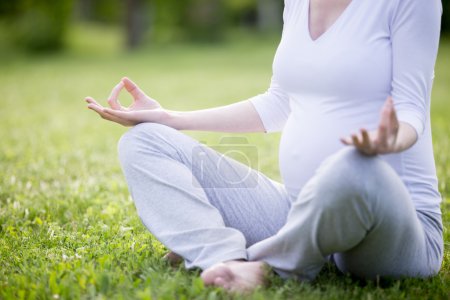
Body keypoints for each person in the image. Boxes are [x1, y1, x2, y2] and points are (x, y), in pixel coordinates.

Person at [85, 0, 444, 293]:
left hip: (392, 225)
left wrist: (388, 142)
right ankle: (225, 259)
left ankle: (270, 264)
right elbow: (278, 103)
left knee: (351, 166)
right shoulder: (297, 3)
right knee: (144, 141)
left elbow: (412, 109)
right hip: (298, 208)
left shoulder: (411, 2)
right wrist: (167, 117)